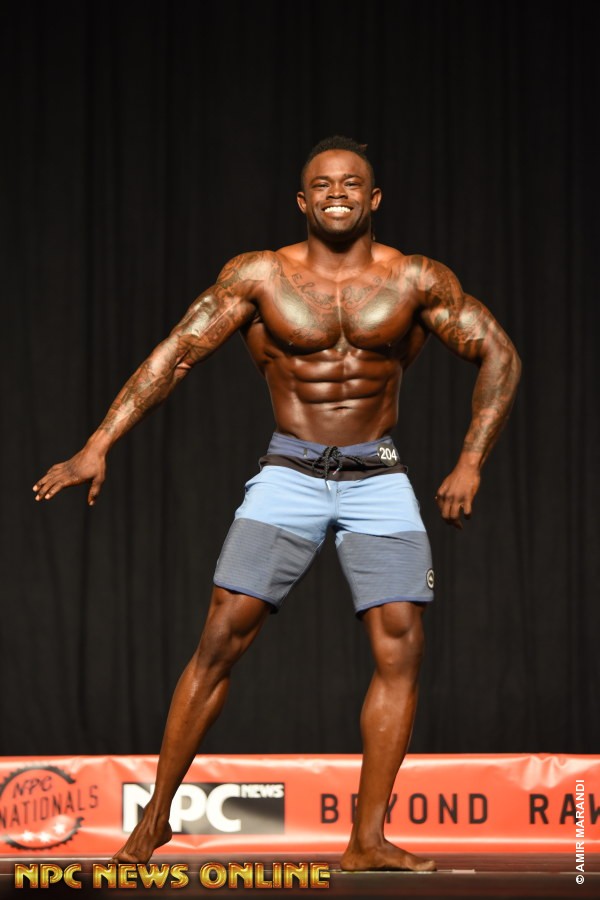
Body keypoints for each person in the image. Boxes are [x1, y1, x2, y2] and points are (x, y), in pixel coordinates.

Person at [33, 136, 521, 872]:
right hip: (290, 472)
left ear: (374, 198)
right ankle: (154, 822)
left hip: (377, 476)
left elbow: (499, 352)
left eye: (350, 183)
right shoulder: (260, 275)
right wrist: (98, 443)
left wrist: (472, 460)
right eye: (322, 184)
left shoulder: (416, 278)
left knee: (402, 644)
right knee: (220, 637)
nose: (336, 192)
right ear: (302, 200)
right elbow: (178, 352)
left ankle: (366, 840)